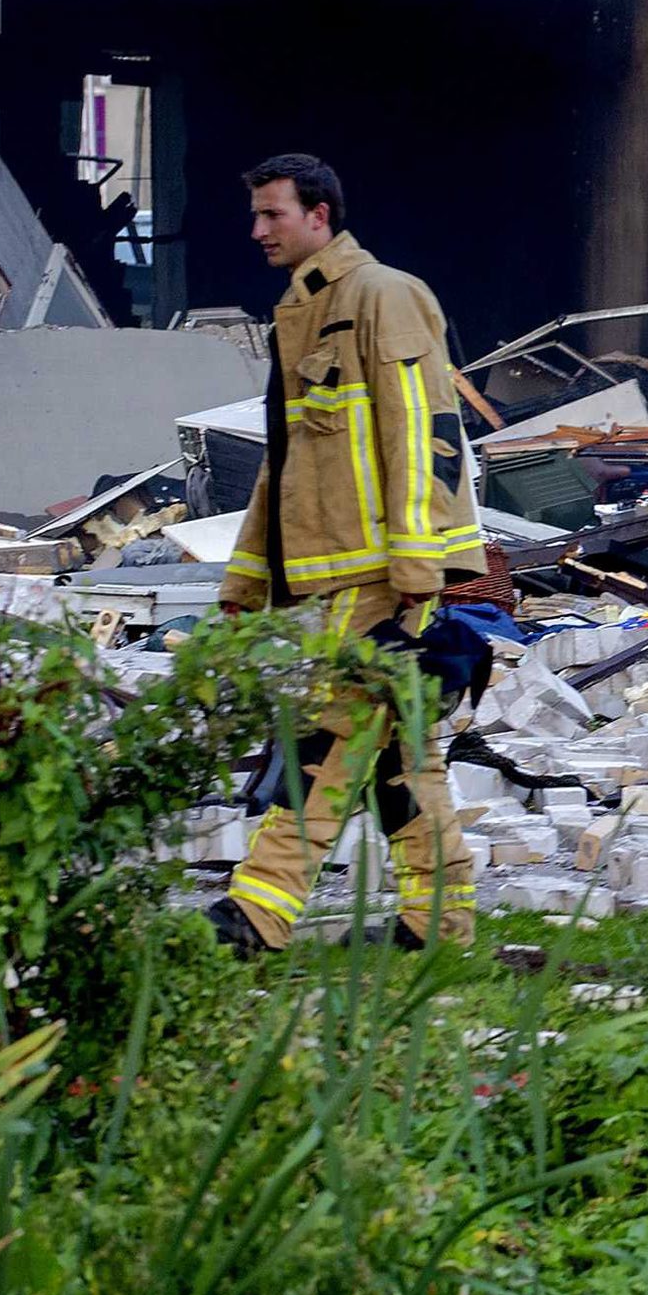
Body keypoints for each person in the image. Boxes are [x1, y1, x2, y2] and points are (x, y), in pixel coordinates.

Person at [211, 153, 485, 952]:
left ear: (320, 215)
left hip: (382, 578)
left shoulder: (382, 296)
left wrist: (415, 570)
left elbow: (421, 434)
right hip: (340, 577)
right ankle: (441, 921)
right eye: (256, 215)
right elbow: (285, 464)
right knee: (401, 754)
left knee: (326, 741)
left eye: (273, 214)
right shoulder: (305, 310)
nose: (257, 230)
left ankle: (257, 916)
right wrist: (246, 580)